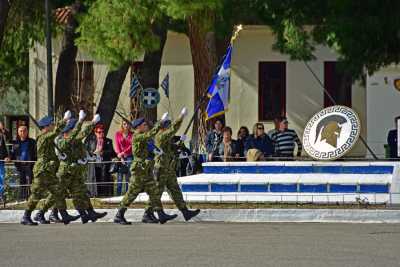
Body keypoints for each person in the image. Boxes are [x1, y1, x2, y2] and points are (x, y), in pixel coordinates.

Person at [114, 114, 178, 225]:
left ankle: (158, 214)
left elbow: (150, 145)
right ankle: (119, 215)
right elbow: (150, 134)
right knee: (131, 194)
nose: (146, 126)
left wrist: (155, 151)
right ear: (138, 127)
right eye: (144, 125)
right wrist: (161, 122)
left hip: (146, 170)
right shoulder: (137, 136)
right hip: (139, 171)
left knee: (154, 192)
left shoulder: (142, 136)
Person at [20, 112, 80, 226]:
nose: (53, 126)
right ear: (46, 126)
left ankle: (63, 214)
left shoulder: (49, 138)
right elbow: (56, 132)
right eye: (51, 124)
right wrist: (64, 120)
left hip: (49, 171)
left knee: (58, 191)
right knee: (36, 194)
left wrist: (59, 156)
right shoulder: (43, 138)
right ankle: (26, 216)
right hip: (42, 171)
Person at [143, 107, 200, 224]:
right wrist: (181, 116)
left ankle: (185, 212)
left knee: (175, 190)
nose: (169, 127)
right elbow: (173, 129)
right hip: (160, 168)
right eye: (167, 125)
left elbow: (172, 149)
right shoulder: (160, 136)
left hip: (168, 168)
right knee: (157, 192)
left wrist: (179, 143)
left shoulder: (166, 139)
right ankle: (147, 214)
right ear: (163, 127)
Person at [50, 110, 107, 224]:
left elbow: (83, 136)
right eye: (74, 128)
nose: (77, 131)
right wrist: (85, 121)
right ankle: (45, 213)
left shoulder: (74, 140)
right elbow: (80, 133)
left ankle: (88, 213)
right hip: (64, 172)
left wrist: (90, 157)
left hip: (74, 172)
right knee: (57, 194)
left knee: (80, 192)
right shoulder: (64, 140)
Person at [85, 123, 116, 197]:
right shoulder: (90, 141)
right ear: (95, 133)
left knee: (104, 179)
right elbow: (86, 151)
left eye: (102, 132)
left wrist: (103, 152)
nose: (101, 134)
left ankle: (104, 194)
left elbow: (112, 152)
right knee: (95, 179)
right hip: (94, 163)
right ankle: (94, 194)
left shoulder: (108, 141)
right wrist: (93, 153)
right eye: (99, 132)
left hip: (104, 163)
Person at [11, 125, 37, 199]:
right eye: (21, 131)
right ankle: (23, 197)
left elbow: (36, 152)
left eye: (24, 131)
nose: (22, 133)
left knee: (30, 181)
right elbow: (12, 153)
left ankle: (31, 196)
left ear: (27, 132)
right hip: (20, 165)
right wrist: (8, 157)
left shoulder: (32, 142)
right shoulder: (16, 143)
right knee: (22, 181)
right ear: (18, 133)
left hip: (30, 164)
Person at [114, 120, 133, 195]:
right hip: (120, 157)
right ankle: (118, 194)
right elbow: (117, 145)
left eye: (127, 124)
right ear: (122, 125)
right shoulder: (118, 134)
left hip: (129, 156)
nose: (126, 125)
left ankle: (127, 194)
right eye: (124, 124)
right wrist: (121, 156)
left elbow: (131, 146)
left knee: (128, 175)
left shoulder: (132, 134)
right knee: (120, 176)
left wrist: (124, 153)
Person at [0, 122, 10, 198]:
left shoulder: (2, 134)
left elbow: (8, 137)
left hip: (1, 160)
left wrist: (6, 156)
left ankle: (1, 196)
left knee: (1, 178)